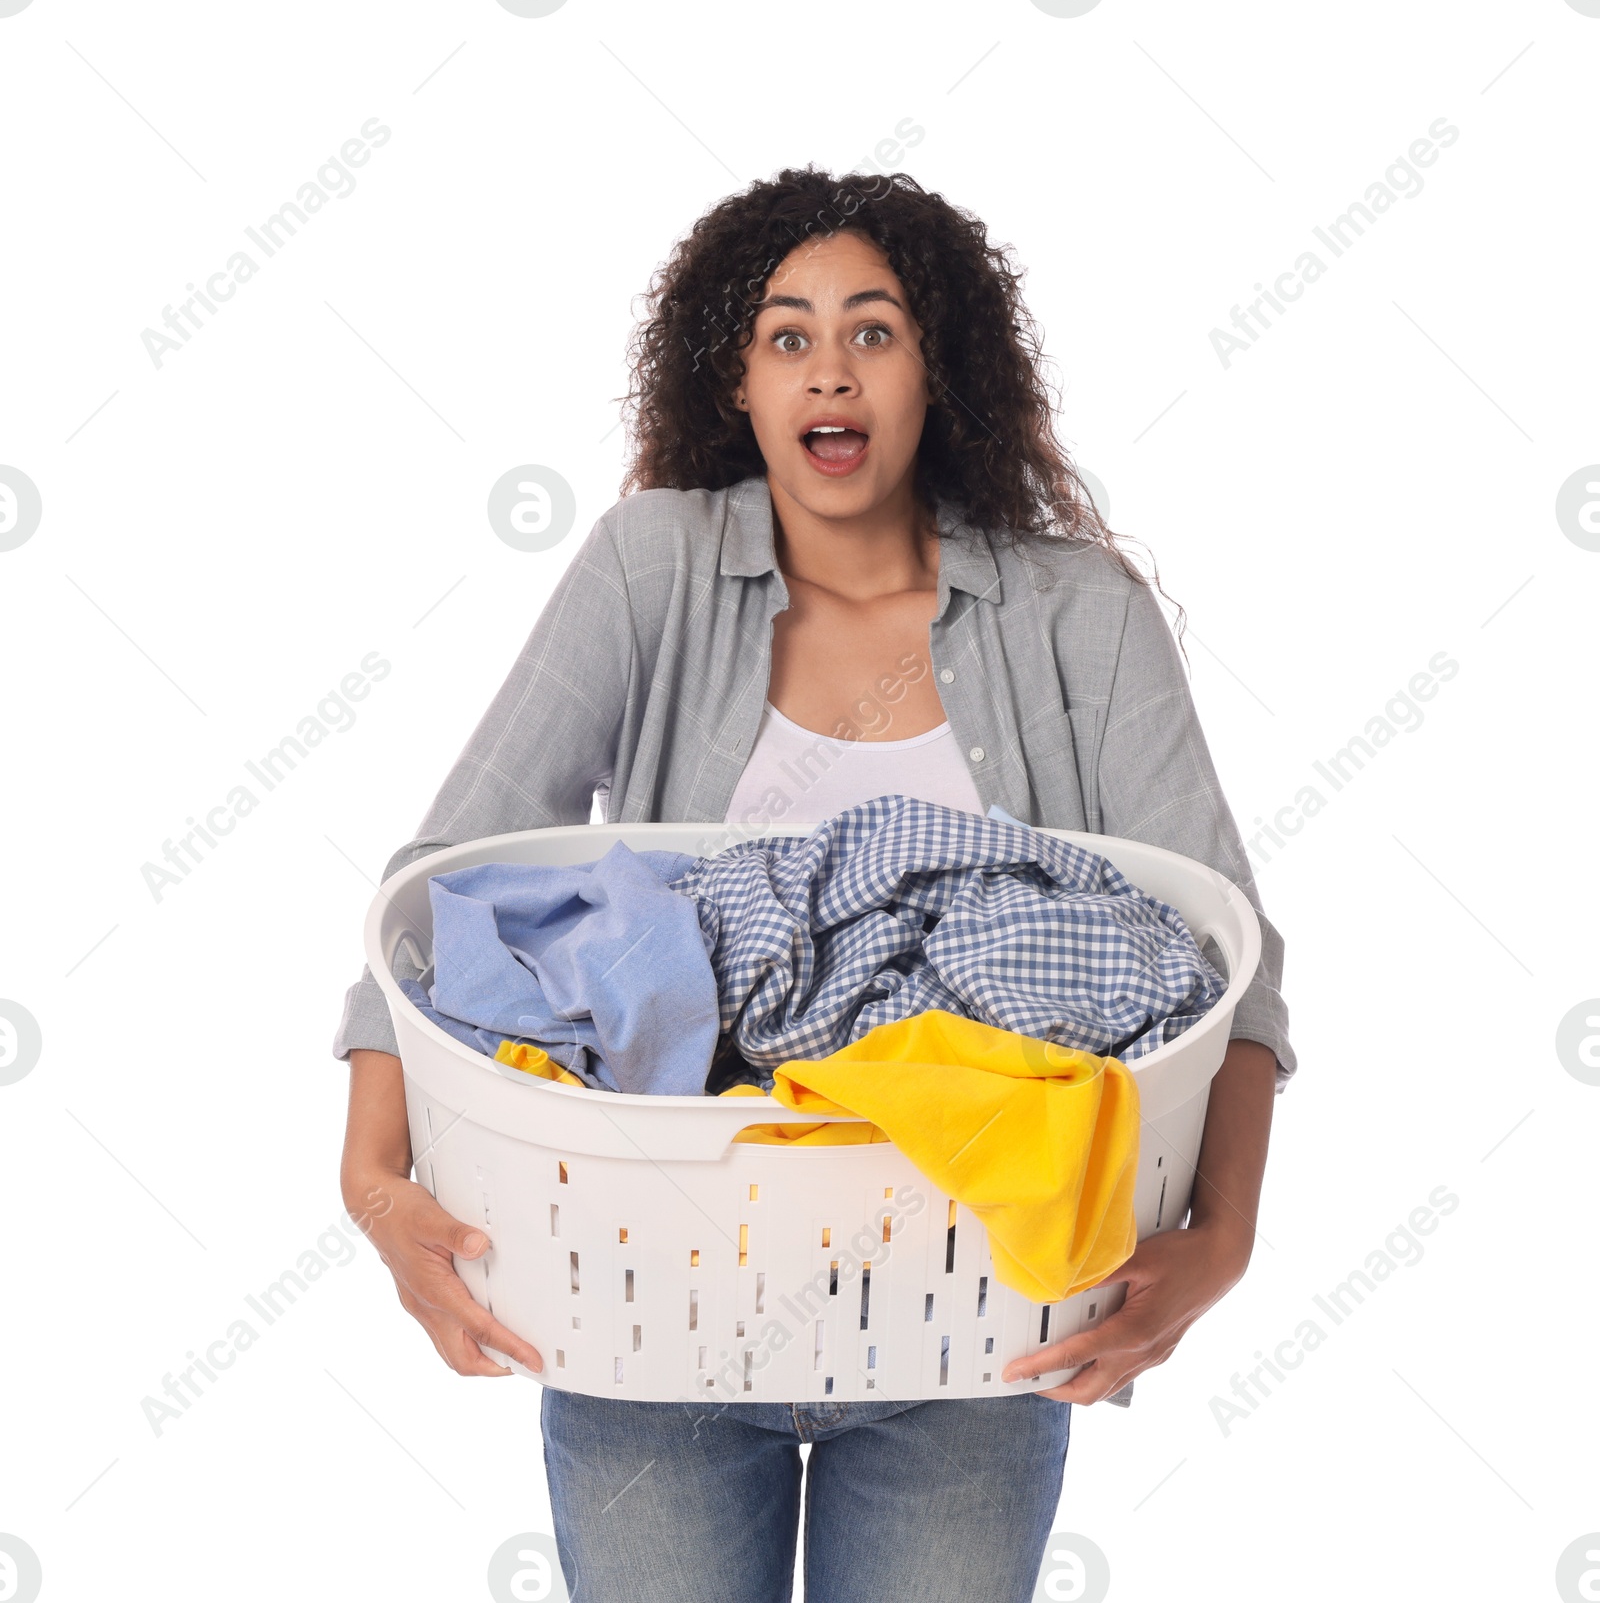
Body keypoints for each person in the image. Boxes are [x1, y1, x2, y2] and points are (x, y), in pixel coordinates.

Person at [334, 167, 1294, 1603]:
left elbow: (1227, 960)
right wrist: (373, 1184)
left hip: (975, 1331)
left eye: (875, 331)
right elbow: (436, 895)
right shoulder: (648, 570)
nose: (828, 370)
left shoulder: (1080, 614)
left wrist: (1222, 1240)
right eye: (787, 335)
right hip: (650, 1316)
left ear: (937, 369)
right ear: (737, 377)